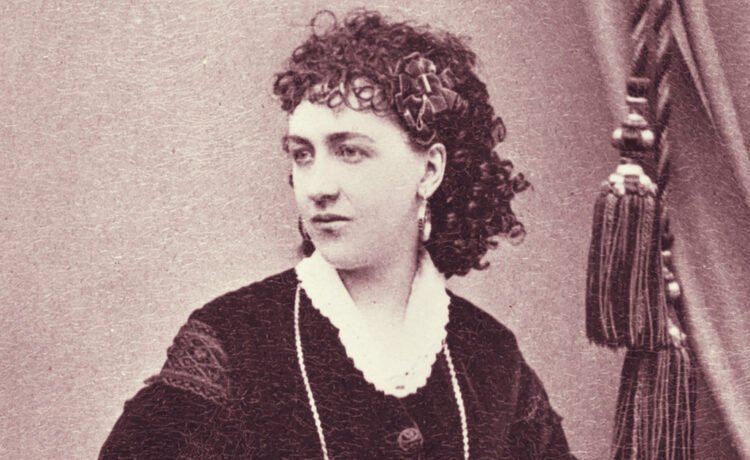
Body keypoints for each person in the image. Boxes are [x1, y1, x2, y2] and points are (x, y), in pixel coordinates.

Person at [100, 10, 574, 459]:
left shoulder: (490, 357)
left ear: (430, 170)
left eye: (349, 151)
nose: (318, 187)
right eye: (303, 155)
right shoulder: (233, 340)